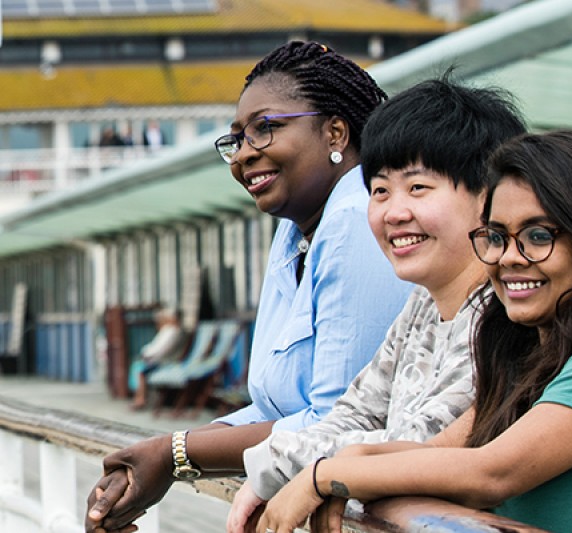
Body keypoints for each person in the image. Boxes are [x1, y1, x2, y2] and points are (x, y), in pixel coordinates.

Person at [258, 130, 572, 533]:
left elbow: (492, 472)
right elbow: (441, 454)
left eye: (538, 236)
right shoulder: (525, 356)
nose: (510, 258)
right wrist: (348, 462)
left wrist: (329, 476)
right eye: (498, 236)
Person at [84, 41, 412, 533]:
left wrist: (174, 454)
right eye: (236, 139)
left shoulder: (357, 219)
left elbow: (340, 422)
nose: (244, 155)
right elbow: (276, 406)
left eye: (265, 129)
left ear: (335, 131)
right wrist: (169, 453)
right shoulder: (295, 230)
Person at [226, 76, 527, 533]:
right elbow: (357, 410)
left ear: (489, 197)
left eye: (419, 188)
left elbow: (421, 443)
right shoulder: (423, 305)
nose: (393, 212)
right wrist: (277, 469)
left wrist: (286, 467)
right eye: (380, 190)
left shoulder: (508, 314)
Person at [129, 307, 187, 411]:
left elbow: (162, 350)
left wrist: (147, 355)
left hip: (166, 361)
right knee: (138, 367)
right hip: (160, 359)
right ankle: (139, 397)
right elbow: (156, 347)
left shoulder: (174, 331)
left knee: (140, 370)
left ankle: (140, 398)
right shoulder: (168, 330)